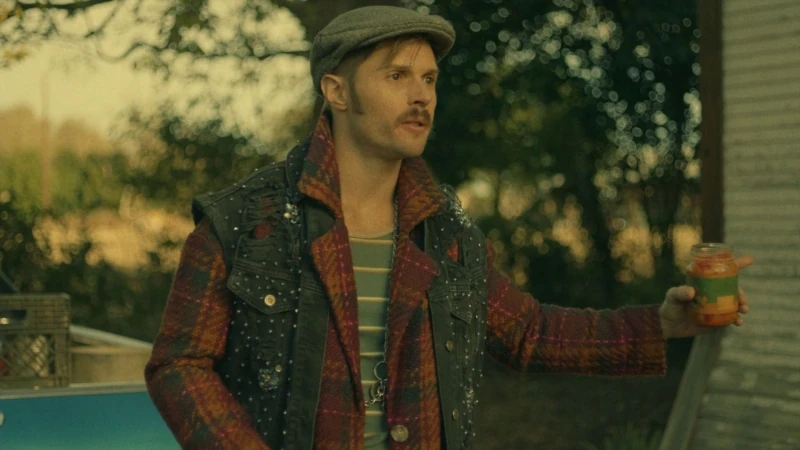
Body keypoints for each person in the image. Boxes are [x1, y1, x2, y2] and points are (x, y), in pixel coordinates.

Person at [145, 6, 753, 450]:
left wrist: (662, 323)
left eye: (429, 79)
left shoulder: (446, 230)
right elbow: (179, 365)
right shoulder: (244, 221)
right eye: (396, 76)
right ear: (337, 91)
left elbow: (530, 333)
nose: (422, 97)